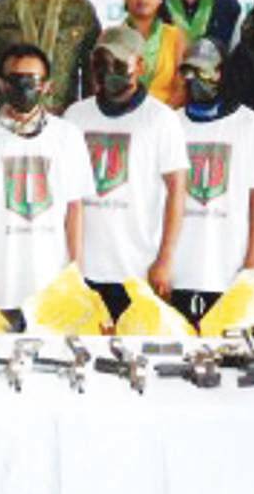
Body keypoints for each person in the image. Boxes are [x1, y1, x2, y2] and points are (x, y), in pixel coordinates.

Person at [0, 44, 93, 322]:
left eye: (32, 81)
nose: (25, 88)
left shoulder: (67, 135)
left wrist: (75, 271)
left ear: (47, 86)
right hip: (1, 279)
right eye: (16, 80)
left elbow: (75, 209)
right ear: (1, 85)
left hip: (53, 281)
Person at [64, 26, 188, 320]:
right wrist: (70, 264)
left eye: (119, 64)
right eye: (101, 63)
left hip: (138, 268)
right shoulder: (75, 116)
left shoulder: (162, 120)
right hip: (84, 269)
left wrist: (165, 260)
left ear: (140, 66)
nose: (109, 72)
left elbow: (177, 192)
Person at [171, 38, 254, 326]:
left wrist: (252, 264)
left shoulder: (250, 125)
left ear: (224, 72)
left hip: (228, 267)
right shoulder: (171, 124)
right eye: (188, 71)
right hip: (178, 268)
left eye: (205, 71)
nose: (195, 80)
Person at [121, 0, 185, 107]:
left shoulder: (175, 36)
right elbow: (100, 87)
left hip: (166, 121)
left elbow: (182, 88)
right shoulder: (110, 37)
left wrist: (160, 119)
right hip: (122, 123)